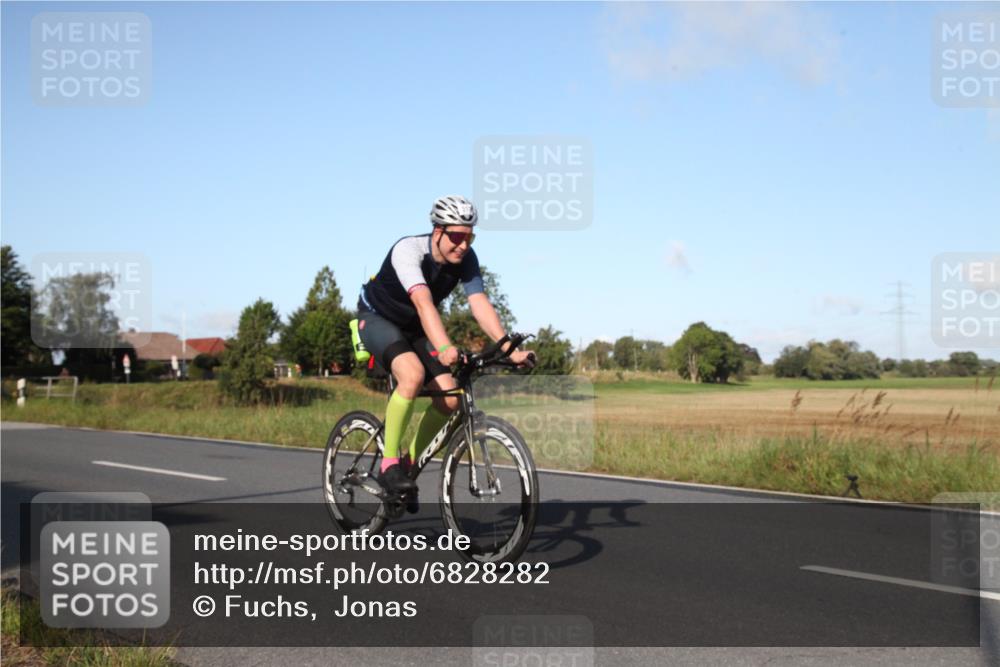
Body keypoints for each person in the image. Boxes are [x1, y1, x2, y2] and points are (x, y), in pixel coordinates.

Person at [355, 195, 534, 503]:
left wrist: (509, 349)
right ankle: (389, 465)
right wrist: (445, 347)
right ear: (437, 231)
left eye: (469, 236)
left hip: (414, 328)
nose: (463, 245)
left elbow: (479, 304)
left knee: (450, 399)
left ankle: (408, 467)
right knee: (411, 375)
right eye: (456, 236)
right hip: (376, 318)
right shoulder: (408, 251)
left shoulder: (467, 258)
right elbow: (424, 303)